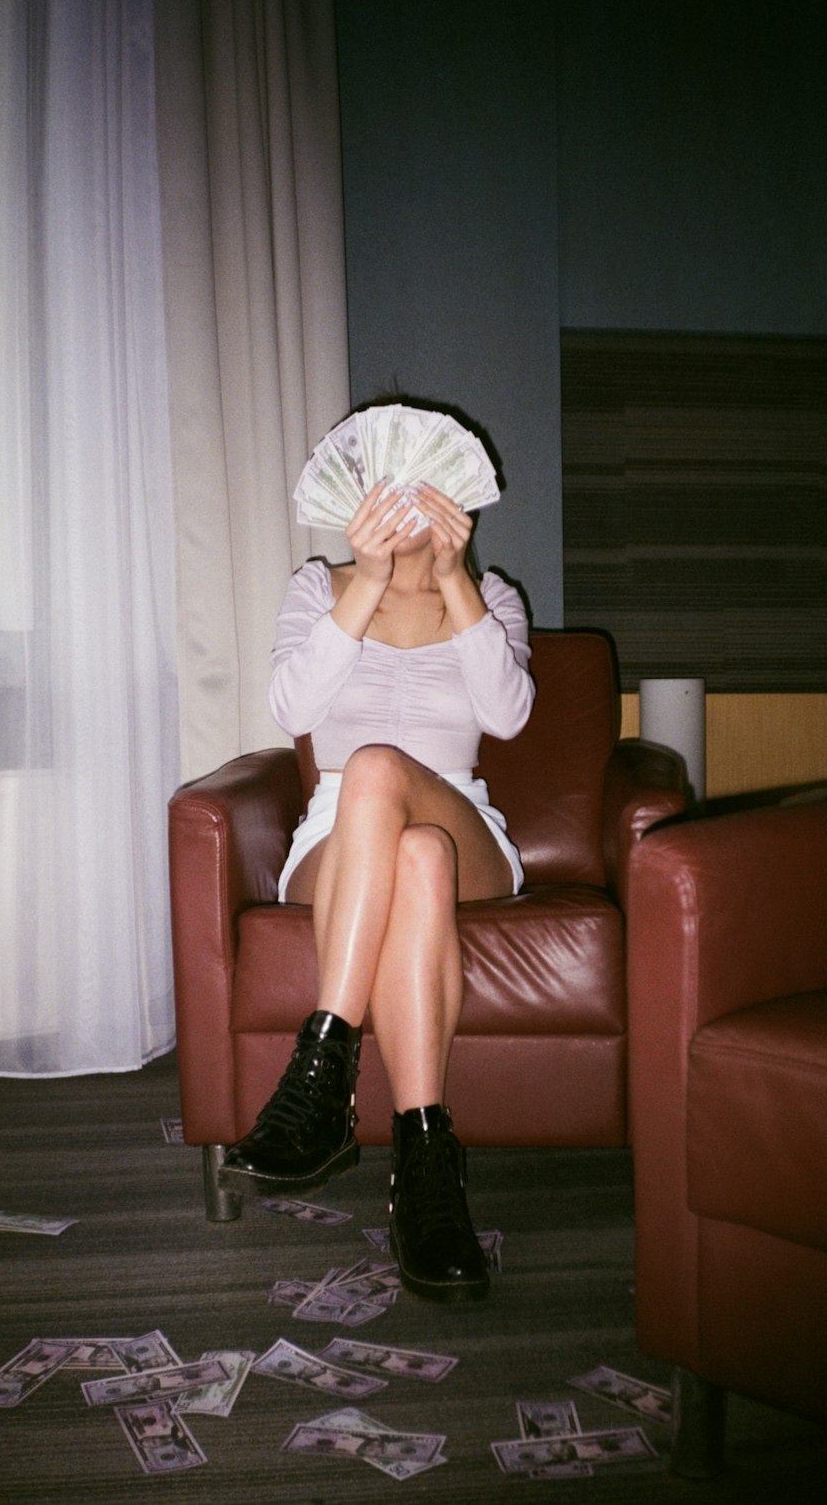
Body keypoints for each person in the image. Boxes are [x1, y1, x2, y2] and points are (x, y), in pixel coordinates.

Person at [222, 463, 535, 1303]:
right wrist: (362, 582)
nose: (411, 516)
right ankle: (427, 1169)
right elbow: (293, 706)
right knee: (411, 853)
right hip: (338, 839)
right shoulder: (318, 588)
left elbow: (507, 714)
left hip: (467, 827)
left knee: (382, 779)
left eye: (431, 496)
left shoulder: (492, 595)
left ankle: (323, 1075)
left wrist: (456, 579)